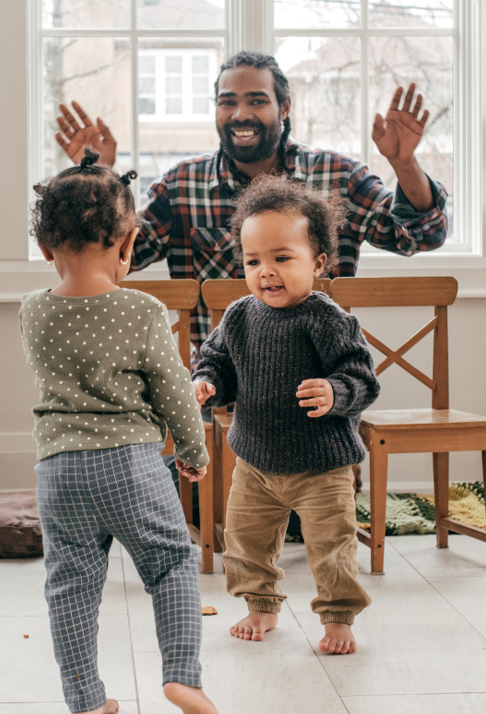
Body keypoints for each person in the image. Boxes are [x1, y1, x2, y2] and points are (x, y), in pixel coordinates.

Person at [53, 50, 450, 353]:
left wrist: (404, 164)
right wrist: (98, 180)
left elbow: (419, 236)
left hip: (315, 388)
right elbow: (113, 259)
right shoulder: (180, 184)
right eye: (228, 102)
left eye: (257, 101)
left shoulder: (338, 176)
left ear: (285, 107)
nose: (240, 114)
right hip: (215, 385)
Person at [20, 149, 219, 714]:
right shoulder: (142, 310)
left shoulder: (32, 311)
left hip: (58, 473)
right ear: (130, 243)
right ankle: (182, 675)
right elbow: (174, 389)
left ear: (44, 248)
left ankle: (86, 699)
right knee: (170, 563)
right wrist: (192, 448)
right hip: (130, 463)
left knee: (71, 586)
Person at [191, 176, 380, 655]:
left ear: (317, 264)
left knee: (331, 547)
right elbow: (214, 360)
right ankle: (261, 605)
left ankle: (338, 617)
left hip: (322, 466)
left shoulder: (327, 319)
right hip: (256, 462)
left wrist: (336, 392)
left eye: (282, 258)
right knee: (245, 541)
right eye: (254, 261)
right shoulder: (238, 316)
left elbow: (363, 379)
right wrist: (208, 383)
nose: (266, 272)